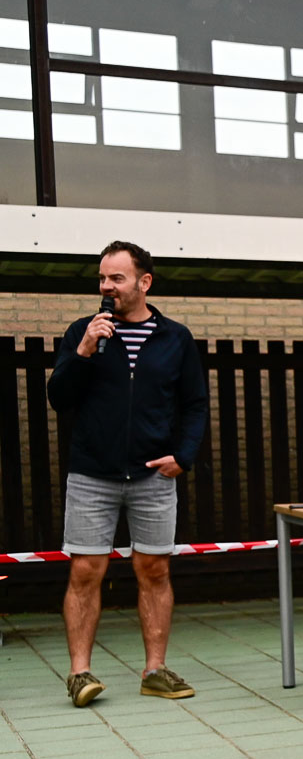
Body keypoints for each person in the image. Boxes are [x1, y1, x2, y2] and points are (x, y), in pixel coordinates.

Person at [49, 241, 207, 707]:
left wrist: (183, 455)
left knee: (154, 569)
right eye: (102, 278)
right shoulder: (82, 332)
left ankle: (155, 670)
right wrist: (83, 351)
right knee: (85, 571)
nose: (106, 287)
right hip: (91, 474)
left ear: (144, 282)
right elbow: (59, 398)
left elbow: (195, 405)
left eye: (116, 278)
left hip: (153, 476)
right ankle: (79, 674)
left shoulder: (176, 338)